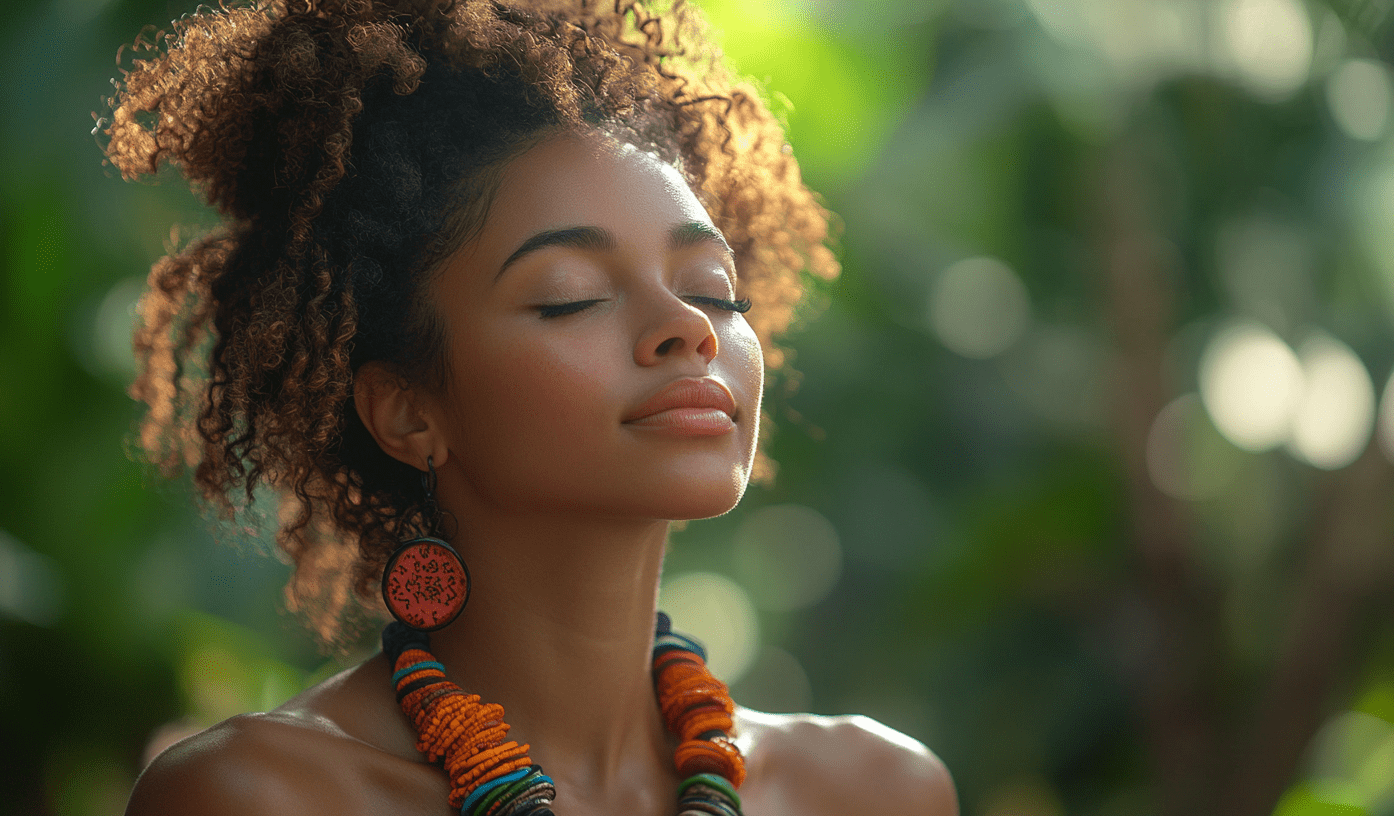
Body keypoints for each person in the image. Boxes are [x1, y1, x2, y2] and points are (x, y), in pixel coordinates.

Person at [104, 1, 956, 813]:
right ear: (407, 412)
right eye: (572, 296)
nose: (688, 328)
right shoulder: (260, 800)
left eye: (713, 290)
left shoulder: (879, 793)